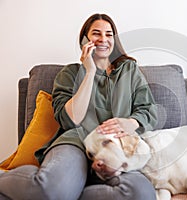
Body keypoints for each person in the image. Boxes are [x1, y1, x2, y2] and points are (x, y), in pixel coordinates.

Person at [0, 13, 158, 200]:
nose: (103, 39)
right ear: (85, 40)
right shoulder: (69, 73)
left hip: (116, 148)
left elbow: (148, 109)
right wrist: (89, 71)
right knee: (51, 190)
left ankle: (70, 191)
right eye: (96, 34)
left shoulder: (129, 70)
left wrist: (130, 123)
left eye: (109, 34)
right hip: (75, 144)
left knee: (141, 194)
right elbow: (71, 119)